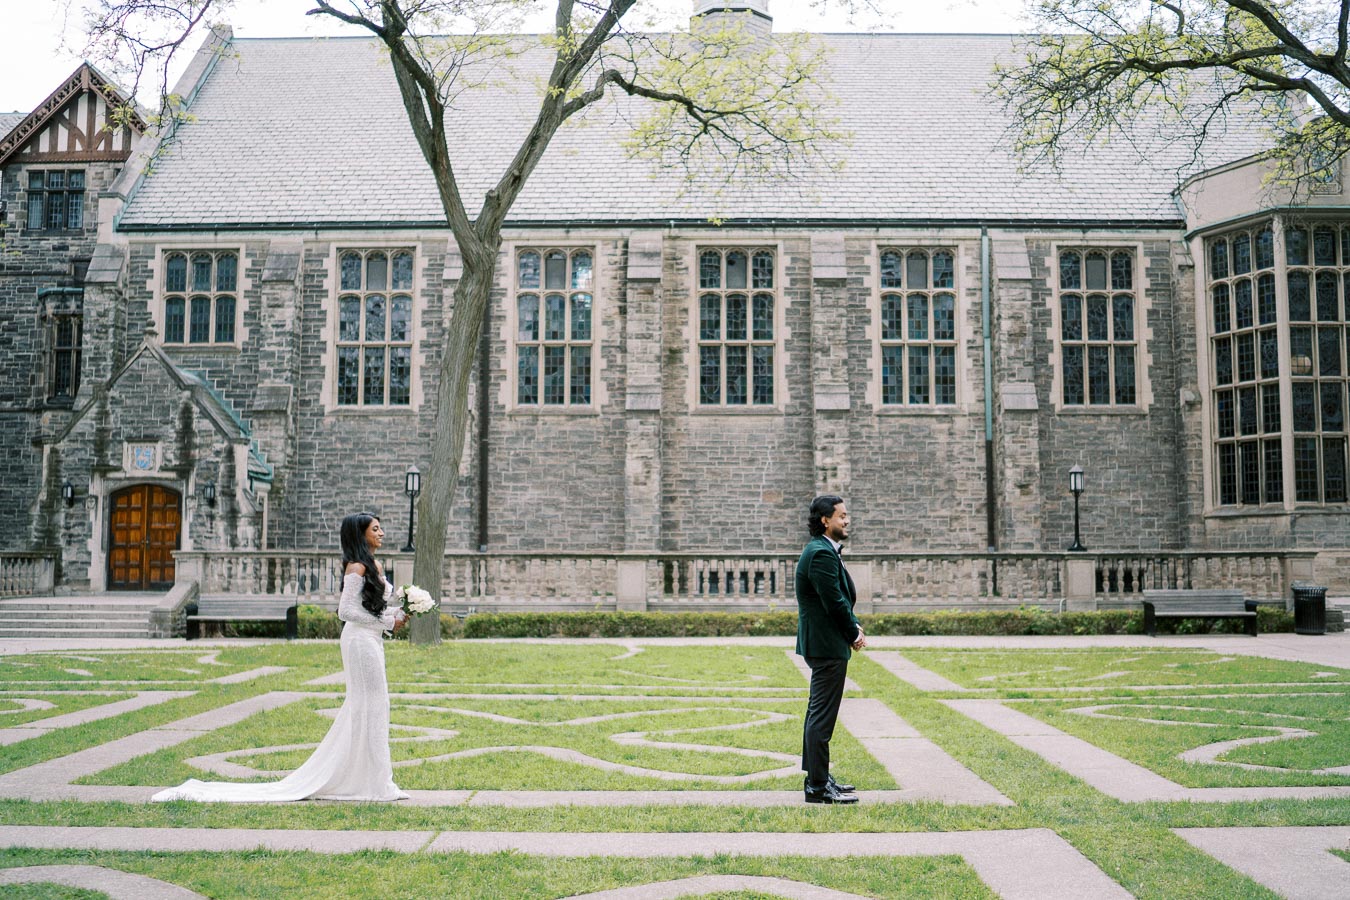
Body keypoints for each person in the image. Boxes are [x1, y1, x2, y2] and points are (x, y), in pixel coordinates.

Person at [152, 512, 408, 803]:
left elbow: (369, 611)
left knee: (375, 704)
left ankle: (373, 778)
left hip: (370, 639)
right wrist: (387, 623)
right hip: (359, 642)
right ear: (361, 534)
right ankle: (375, 782)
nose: (382, 532)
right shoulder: (356, 567)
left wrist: (397, 616)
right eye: (376, 529)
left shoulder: (373, 565)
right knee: (369, 704)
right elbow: (345, 611)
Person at [795, 494, 865, 804]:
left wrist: (854, 625)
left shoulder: (822, 550)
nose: (847, 520)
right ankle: (818, 787)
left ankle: (818, 777)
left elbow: (838, 598)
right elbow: (834, 601)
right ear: (826, 520)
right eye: (842, 515)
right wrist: (854, 632)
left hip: (824, 643)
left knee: (817, 714)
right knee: (822, 717)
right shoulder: (821, 553)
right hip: (826, 645)